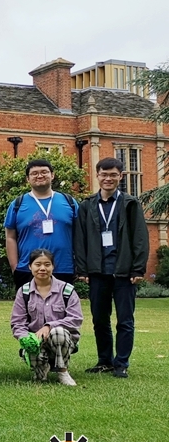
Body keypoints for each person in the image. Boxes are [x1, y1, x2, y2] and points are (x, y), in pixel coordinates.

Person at [75, 157, 149, 378]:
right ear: (97, 176)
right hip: (97, 272)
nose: (108, 178)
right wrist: (82, 269)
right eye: (104, 174)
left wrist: (138, 268)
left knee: (125, 320)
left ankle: (121, 363)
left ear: (120, 176)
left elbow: (140, 237)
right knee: (99, 319)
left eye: (113, 175)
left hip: (124, 272)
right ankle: (105, 360)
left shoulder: (130, 204)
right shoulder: (87, 205)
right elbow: (80, 239)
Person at [10, 249, 83, 386]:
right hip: (36, 341)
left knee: (58, 332)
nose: (42, 268)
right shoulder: (24, 291)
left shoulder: (67, 290)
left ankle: (62, 371)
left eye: (47, 264)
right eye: (38, 264)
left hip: (62, 339)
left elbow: (76, 318)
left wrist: (49, 326)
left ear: (53, 266)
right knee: (40, 378)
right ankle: (42, 368)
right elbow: (17, 321)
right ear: (30, 267)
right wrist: (25, 338)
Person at [4, 159, 78, 288]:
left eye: (44, 172)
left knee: (62, 302)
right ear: (28, 179)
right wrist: (15, 267)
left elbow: (80, 235)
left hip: (63, 268)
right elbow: (10, 237)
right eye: (34, 173)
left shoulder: (69, 202)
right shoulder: (17, 204)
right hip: (28, 269)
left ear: (52, 175)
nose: (39, 176)